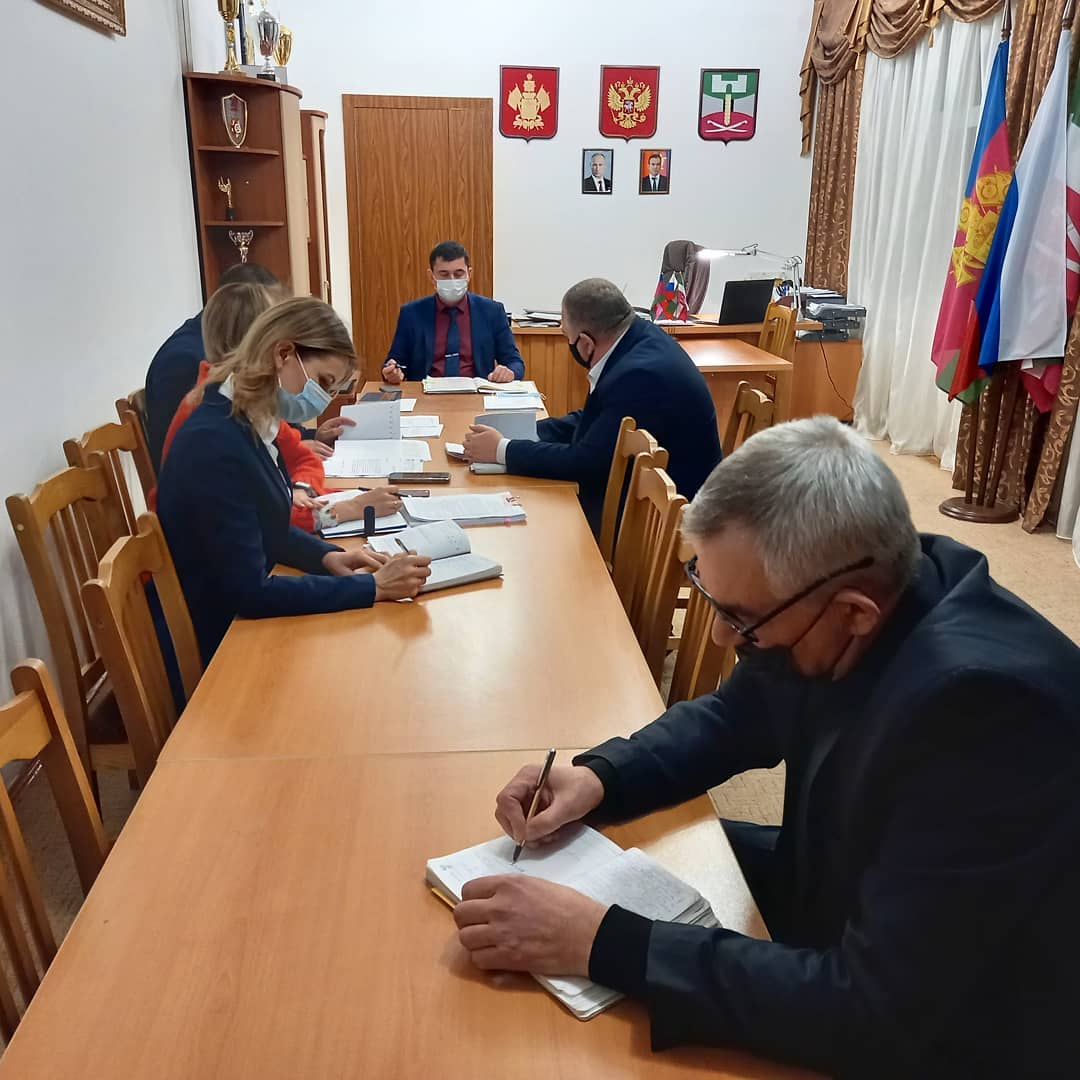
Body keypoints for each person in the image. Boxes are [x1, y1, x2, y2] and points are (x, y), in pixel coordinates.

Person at [452, 418, 1080, 1078]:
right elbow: (734, 716)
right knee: (637, 852)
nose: (721, 639)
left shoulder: (984, 711)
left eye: (741, 619)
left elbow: (876, 1013)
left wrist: (601, 943)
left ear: (854, 613)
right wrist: (602, 776)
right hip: (842, 888)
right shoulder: (868, 586)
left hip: (967, 1027)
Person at [156, 297, 431, 663]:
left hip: (234, 618)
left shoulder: (245, 418)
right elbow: (251, 593)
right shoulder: (215, 443)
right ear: (283, 353)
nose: (322, 401)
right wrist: (372, 587)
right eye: (322, 382)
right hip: (216, 642)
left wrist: (327, 557)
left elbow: (265, 526)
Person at [462, 278, 721, 536]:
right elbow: (596, 418)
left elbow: (586, 463)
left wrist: (502, 450)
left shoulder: (640, 375)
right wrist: (525, 431)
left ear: (585, 344)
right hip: (653, 500)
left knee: (537, 525)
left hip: (670, 526)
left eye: (567, 336)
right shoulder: (639, 337)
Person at [156, 282, 403, 533]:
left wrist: (302, 488)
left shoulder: (257, 407)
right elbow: (266, 520)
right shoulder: (215, 426)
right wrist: (347, 509)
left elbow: (301, 462)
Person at [381, 241, 524, 384]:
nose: (452, 280)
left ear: (469, 274)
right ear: (431, 276)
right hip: (425, 393)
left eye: (458, 273)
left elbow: (515, 362)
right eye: (444, 274)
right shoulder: (411, 314)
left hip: (477, 393)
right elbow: (394, 362)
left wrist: (509, 372)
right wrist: (392, 372)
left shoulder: (492, 311)